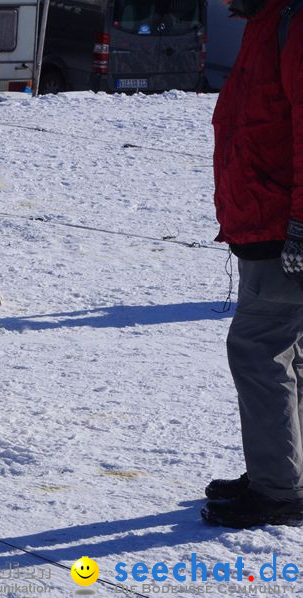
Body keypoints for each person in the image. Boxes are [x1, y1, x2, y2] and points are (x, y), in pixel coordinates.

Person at [203, 0, 303, 528]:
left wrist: (300, 227)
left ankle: (280, 489)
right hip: (266, 216)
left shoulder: (293, 21)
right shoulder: (271, 19)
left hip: (281, 221)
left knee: (260, 350)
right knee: (290, 351)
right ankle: (285, 473)